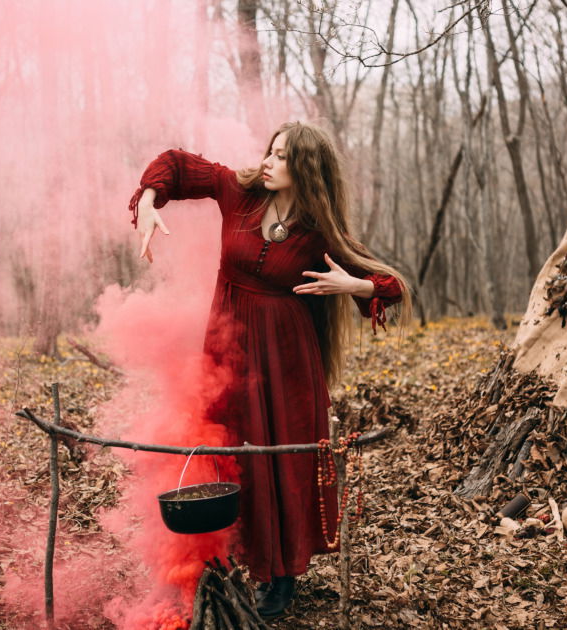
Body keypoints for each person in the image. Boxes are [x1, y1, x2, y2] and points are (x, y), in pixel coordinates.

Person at [128, 121, 411, 619]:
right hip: (228, 349)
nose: (268, 162)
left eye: (281, 157)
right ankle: (223, 558)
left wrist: (353, 287)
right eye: (270, 151)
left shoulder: (318, 230)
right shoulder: (237, 192)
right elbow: (173, 165)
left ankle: (281, 575)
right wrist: (149, 203)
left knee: (281, 459)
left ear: (304, 169)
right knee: (229, 451)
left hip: (287, 362)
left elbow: (392, 286)